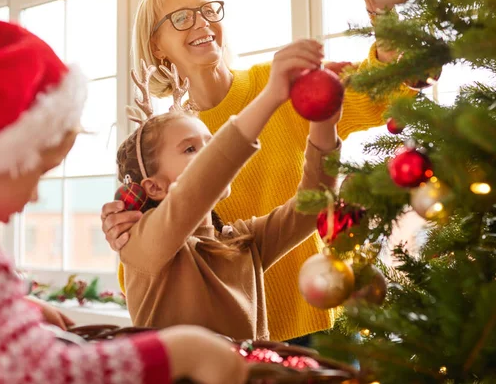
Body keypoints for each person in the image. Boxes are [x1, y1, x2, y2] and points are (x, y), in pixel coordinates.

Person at [103, 0, 405, 343]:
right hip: (219, 349)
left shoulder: (280, 85)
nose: (203, 23)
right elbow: (148, 255)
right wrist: (123, 228)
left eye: (207, 10)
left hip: (315, 327)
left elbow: (386, 93)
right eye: (182, 18)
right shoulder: (163, 139)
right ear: (157, 45)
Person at [0, 21, 247, 384]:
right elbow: (42, 375)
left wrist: (8, 312)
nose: (34, 195)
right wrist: (180, 351)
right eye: (37, 172)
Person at [119, 40, 341, 340]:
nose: (208, 154)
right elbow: (197, 186)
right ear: (154, 187)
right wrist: (272, 95)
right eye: (189, 149)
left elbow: (315, 203)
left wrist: (324, 121)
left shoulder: (242, 242)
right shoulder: (142, 243)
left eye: (210, 144)